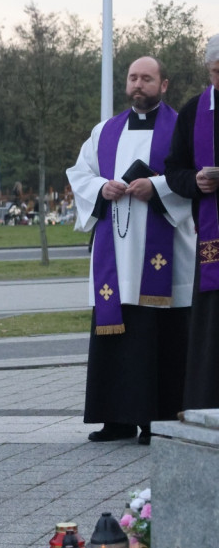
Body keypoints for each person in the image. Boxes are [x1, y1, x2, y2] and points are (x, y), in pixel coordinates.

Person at [68, 57, 192, 444]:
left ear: (164, 84)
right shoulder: (105, 131)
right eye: (133, 78)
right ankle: (117, 419)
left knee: (161, 340)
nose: (138, 85)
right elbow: (80, 174)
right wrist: (101, 188)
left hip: (165, 256)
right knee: (118, 337)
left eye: (147, 79)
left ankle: (157, 422)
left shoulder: (181, 128)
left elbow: (192, 177)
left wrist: (157, 187)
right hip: (116, 257)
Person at [164, 33, 219, 411]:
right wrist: (195, 182)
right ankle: (208, 404)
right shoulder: (194, 112)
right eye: (217, 71)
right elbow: (174, 170)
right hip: (214, 241)